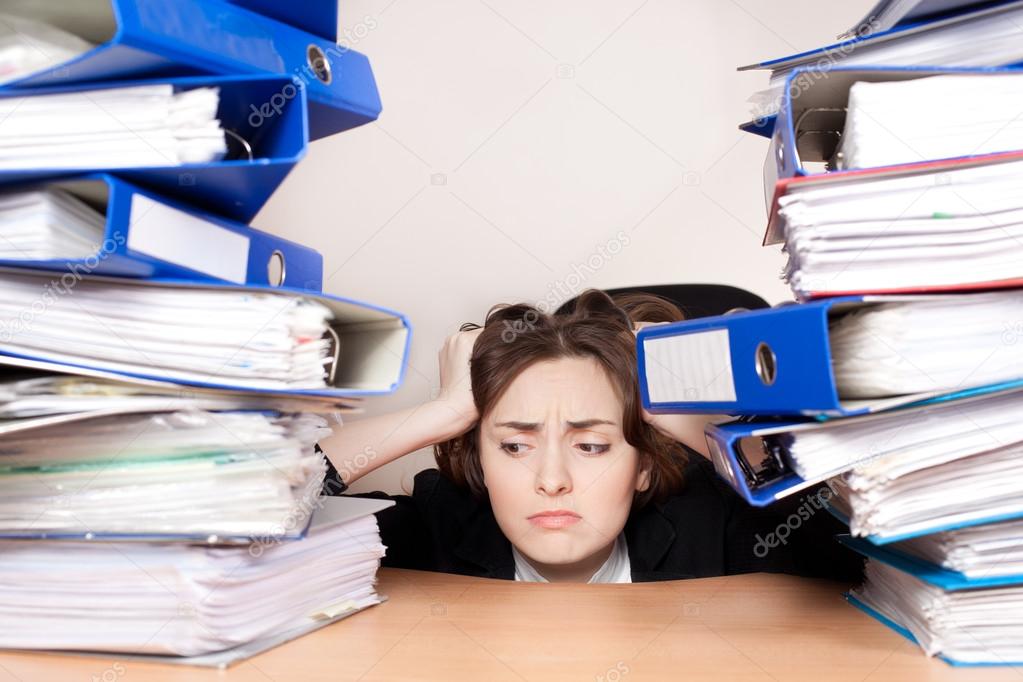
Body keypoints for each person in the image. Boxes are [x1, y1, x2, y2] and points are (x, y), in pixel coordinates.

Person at [317, 289, 862, 583]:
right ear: (480, 461)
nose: (552, 480)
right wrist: (441, 413)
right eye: (514, 445)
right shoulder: (440, 524)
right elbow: (253, 523)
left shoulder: (715, 526)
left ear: (643, 464)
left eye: (592, 446)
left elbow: (873, 548)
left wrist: (673, 409)